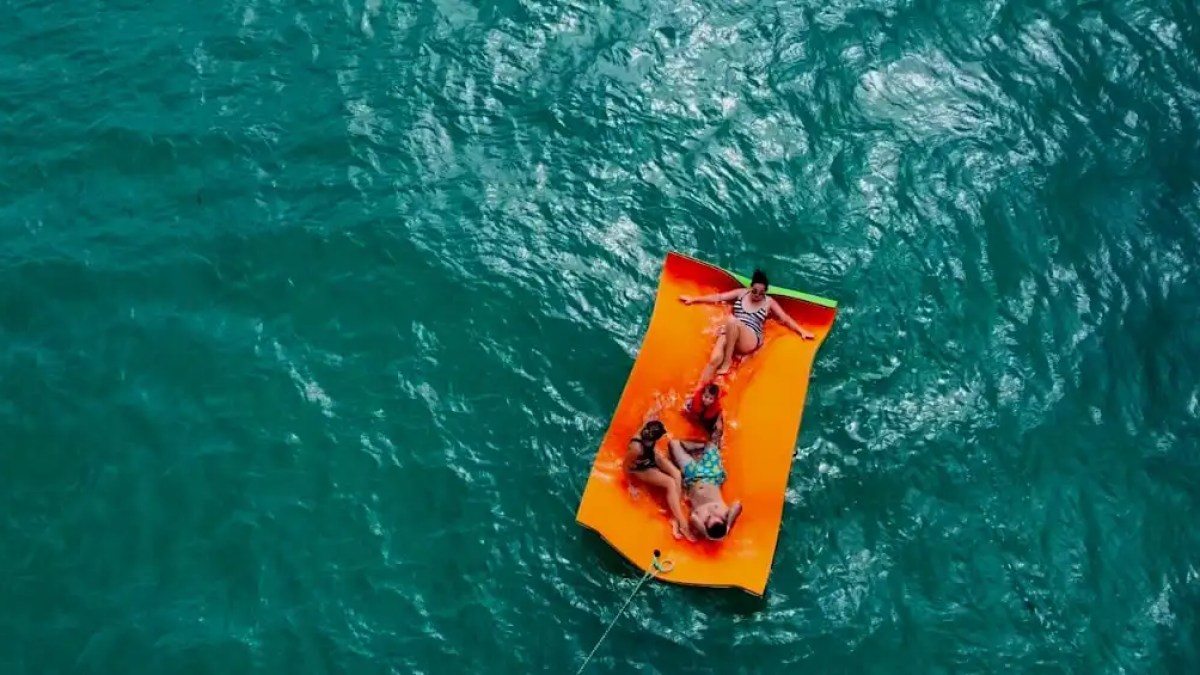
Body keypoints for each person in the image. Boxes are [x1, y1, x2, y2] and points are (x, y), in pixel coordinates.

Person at [679, 269, 815, 382]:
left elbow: (784, 318)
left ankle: (727, 361)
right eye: (755, 291)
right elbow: (719, 297)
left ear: (765, 292)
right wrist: (694, 299)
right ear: (750, 287)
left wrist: (801, 331)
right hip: (731, 331)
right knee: (714, 359)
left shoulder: (769, 302)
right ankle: (697, 395)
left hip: (749, 338)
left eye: (761, 293)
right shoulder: (741, 293)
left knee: (732, 321)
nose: (757, 295)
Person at [624, 420, 695, 541]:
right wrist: (630, 484)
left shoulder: (647, 430)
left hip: (650, 456)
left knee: (677, 474)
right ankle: (683, 525)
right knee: (670, 483)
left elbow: (647, 419)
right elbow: (626, 466)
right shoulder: (637, 449)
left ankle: (675, 518)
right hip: (640, 469)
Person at [668, 436, 742, 541]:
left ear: (705, 526)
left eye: (708, 519)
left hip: (692, 476)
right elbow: (738, 505)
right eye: (717, 518)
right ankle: (699, 449)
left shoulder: (698, 519)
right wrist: (728, 527)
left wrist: (705, 533)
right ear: (723, 521)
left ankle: (695, 452)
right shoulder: (725, 514)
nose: (711, 515)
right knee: (711, 445)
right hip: (711, 473)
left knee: (673, 444)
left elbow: (693, 518)